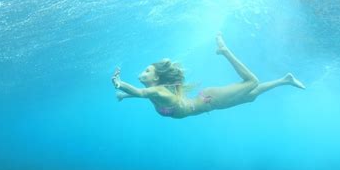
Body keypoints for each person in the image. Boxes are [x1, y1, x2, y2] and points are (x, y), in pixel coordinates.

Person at [111, 32, 305, 119]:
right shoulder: (154, 91)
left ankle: (224, 50)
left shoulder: (160, 92)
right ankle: (285, 80)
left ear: (156, 79)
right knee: (251, 96)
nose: (142, 73)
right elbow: (143, 94)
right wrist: (124, 95)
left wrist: (119, 84)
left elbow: (140, 92)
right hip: (208, 102)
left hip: (211, 100)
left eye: (147, 71)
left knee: (252, 82)